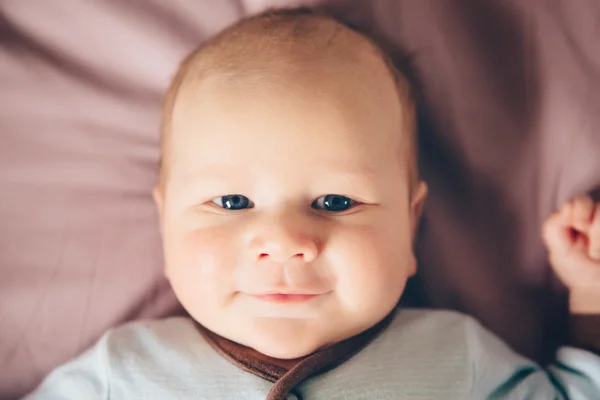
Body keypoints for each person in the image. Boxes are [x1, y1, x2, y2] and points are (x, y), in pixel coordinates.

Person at [23, 8, 600, 400]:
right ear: (165, 222)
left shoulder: (459, 355)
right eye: (231, 200)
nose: (285, 241)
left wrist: (592, 295)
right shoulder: (118, 370)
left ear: (411, 226)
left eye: (334, 199)